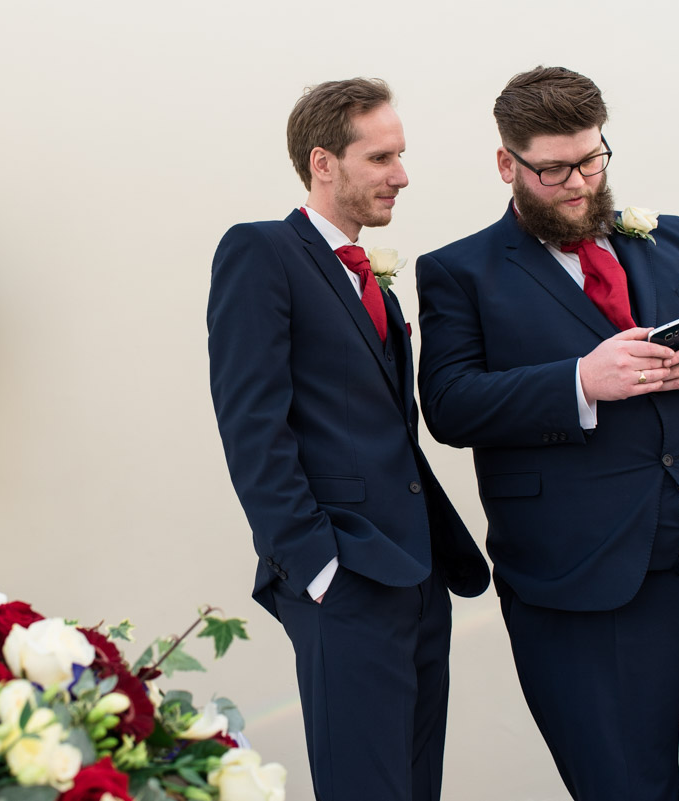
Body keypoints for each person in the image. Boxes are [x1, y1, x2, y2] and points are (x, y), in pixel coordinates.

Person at [415, 65, 679, 800]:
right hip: (586, 602)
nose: (578, 182)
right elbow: (449, 404)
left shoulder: (672, 237)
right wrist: (579, 380)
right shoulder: (460, 272)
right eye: (553, 169)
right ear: (506, 165)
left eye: (591, 158)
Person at [207, 78, 489, 801]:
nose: (401, 174)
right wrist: (318, 567)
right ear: (323, 162)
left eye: (401, 154)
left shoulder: (372, 279)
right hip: (347, 579)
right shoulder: (260, 253)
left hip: (418, 576)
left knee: (415, 784)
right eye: (381, 157)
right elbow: (252, 425)